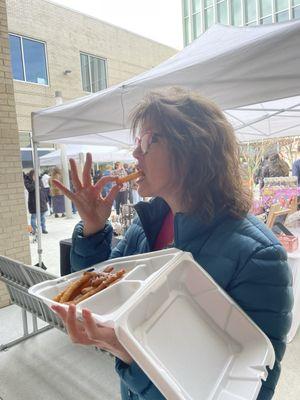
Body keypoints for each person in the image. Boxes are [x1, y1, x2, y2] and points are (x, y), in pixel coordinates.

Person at [52, 88, 293, 400]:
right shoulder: (145, 225)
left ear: (194, 148)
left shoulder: (258, 257)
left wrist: (130, 355)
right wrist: (94, 227)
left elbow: (245, 391)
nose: (135, 155)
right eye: (135, 143)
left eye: (148, 140)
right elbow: (97, 292)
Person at [24, 169, 48, 234]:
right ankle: (33, 230)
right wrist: (34, 182)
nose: (36, 176)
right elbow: (29, 189)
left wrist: (46, 199)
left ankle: (43, 229)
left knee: (42, 217)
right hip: (33, 201)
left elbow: (43, 190)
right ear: (31, 175)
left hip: (42, 200)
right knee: (33, 217)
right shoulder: (28, 181)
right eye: (34, 175)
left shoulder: (39, 180)